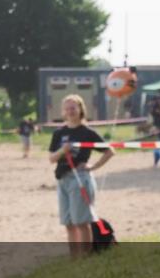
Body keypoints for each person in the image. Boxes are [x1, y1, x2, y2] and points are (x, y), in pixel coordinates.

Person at [48, 95, 115, 258]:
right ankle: (74, 257)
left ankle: (86, 257)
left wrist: (93, 166)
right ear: (63, 111)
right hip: (62, 179)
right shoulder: (58, 133)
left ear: (80, 109)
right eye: (67, 108)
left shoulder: (87, 132)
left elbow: (109, 151)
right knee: (69, 223)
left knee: (81, 222)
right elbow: (51, 158)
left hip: (79, 179)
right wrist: (62, 150)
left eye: (73, 108)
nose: (70, 111)